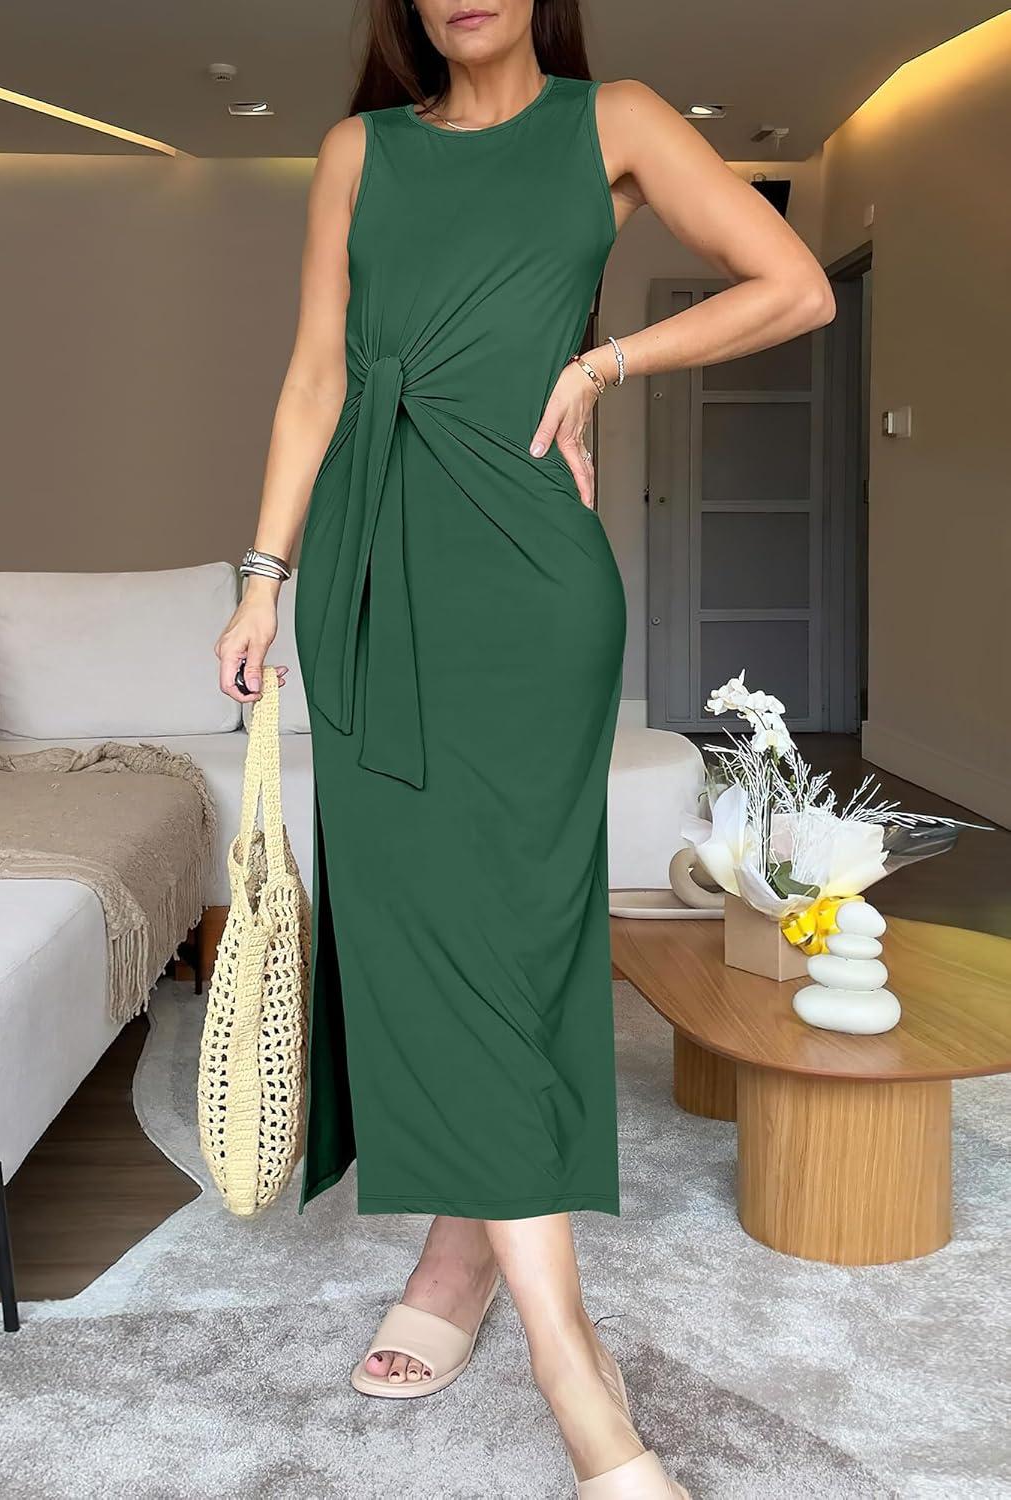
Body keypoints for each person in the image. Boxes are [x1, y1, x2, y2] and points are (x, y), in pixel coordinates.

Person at [216, 2, 833, 1493]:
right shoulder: (359, 151)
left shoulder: (612, 122)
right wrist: (263, 574)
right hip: (370, 569)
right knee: (419, 926)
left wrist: (605, 363)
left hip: (529, 581)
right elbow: (314, 376)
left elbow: (795, 285)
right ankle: (477, 1263)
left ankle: (561, 1357)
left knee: (510, 928)